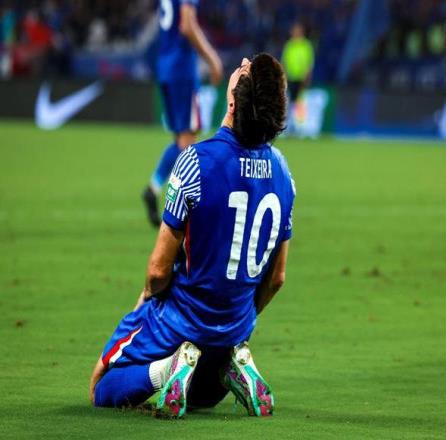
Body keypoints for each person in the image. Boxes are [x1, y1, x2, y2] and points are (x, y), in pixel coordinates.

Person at [90, 53, 295, 418]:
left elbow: (157, 272)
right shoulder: (283, 173)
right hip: (234, 329)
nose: (242, 61)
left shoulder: (195, 161)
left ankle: (167, 368)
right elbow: (277, 278)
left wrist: (142, 306)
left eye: (244, 69)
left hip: (180, 320)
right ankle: (232, 364)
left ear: (232, 103)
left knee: (102, 386)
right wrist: (239, 319)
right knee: (200, 398)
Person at [142, 0, 223, 227]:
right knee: (188, 143)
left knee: (181, 141)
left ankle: (153, 188)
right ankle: (183, 212)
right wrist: (212, 58)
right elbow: (187, 25)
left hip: (165, 67)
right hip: (182, 69)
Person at [281, 22, 314, 131]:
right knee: (288, 101)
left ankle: (300, 126)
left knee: (300, 102)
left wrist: (307, 76)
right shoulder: (289, 45)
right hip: (290, 77)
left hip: (301, 78)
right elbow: (284, 61)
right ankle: (287, 126)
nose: (294, 32)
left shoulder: (306, 45)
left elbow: (309, 62)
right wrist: (283, 75)